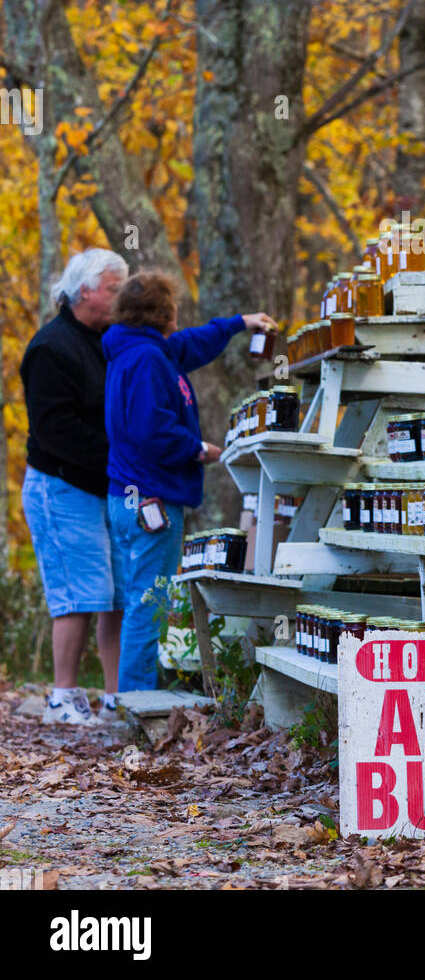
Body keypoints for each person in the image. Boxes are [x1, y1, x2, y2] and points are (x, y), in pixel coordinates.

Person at [103, 270, 276, 692]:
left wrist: (239, 323)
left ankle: (130, 695)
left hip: (131, 495)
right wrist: (200, 449)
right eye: (173, 306)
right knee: (149, 603)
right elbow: (152, 429)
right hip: (150, 502)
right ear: (162, 312)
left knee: (139, 600)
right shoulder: (146, 360)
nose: (179, 313)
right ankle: (138, 703)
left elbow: (191, 344)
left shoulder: (144, 351)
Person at [20, 248, 130, 727]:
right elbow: (54, 430)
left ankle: (116, 697)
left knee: (117, 594)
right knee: (80, 594)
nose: (119, 297)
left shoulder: (106, 341)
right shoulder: (51, 347)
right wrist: (121, 460)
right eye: (112, 288)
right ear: (84, 291)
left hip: (103, 486)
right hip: (60, 487)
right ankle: (61, 698)